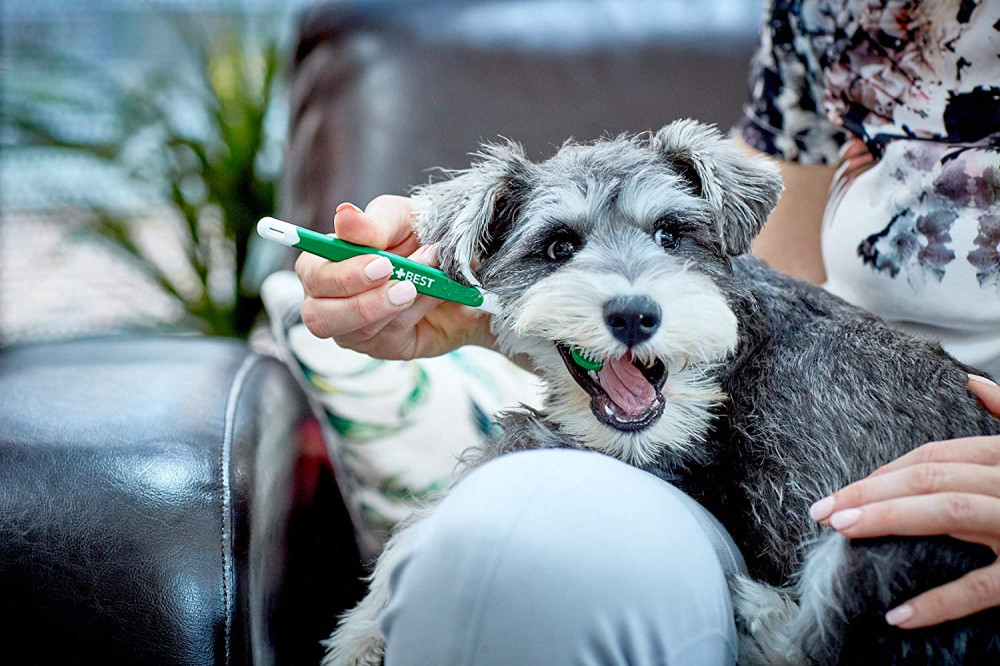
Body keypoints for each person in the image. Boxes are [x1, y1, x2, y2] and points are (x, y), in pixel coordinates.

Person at [296, 1, 1000, 663]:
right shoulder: (824, 9)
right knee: (508, 546)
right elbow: (743, 297)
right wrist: (470, 315)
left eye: (667, 233)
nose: (634, 289)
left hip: (899, 557)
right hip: (784, 491)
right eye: (561, 248)